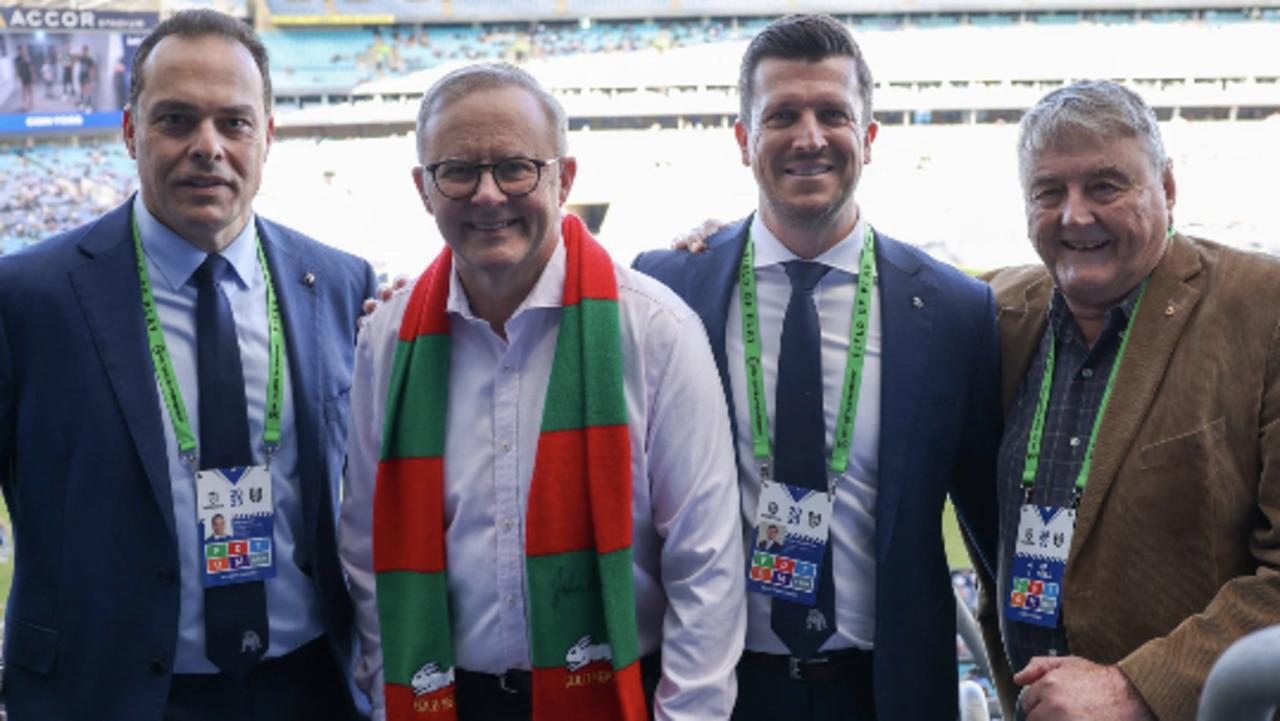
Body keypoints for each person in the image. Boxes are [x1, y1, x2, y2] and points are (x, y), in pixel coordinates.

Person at [339, 62, 745, 721]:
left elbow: (706, 565)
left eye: (516, 167)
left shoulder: (656, 330)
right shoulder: (388, 341)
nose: (488, 194)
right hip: (446, 699)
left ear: (565, 177)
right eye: (459, 170)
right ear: (423, 187)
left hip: (621, 696)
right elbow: (365, 548)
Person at [0, 10, 376, 719]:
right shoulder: (28, 297)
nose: (208, 147)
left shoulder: (338, 280)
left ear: (268, 135)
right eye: (176, 119)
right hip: (111, 694)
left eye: (233, 123)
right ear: (130, 131)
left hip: (311, 688)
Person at [633, 14, 1001, 721]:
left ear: (867, 136)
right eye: (782, 115)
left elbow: (989, 531)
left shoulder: (955, 309)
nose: (809, 137)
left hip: (886, 691)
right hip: (715, 690)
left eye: (833, 113)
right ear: (743, 139)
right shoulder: (670, 285)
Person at [978, 79, 1280, 721]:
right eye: (1049, 192)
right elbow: (873, 284)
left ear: (1166, 189)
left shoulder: (1264, 311)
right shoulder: (997, 314)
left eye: (1106, 186)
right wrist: (731, 249)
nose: (1075, 215)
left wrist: (1138, 687)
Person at [14, 44, 35, 112]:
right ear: (19, 50)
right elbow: (16, 68)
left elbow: (30, 66)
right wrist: (17, 76)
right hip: (22, 76)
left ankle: (31, 101)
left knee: (30, 89)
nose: (24, 51)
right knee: (24, 90)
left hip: (28, 75)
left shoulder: (27, 57)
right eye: (22, 49)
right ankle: (24, 104)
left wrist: (33, 74)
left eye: (24, 49)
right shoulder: (17, 59)